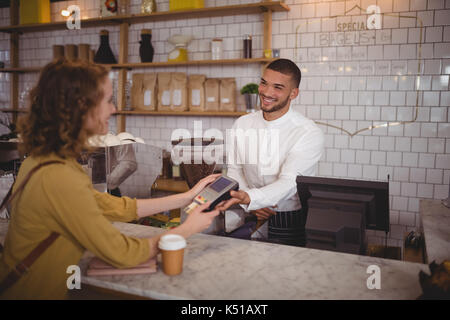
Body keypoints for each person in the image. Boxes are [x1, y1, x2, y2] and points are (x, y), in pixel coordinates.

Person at [0, 59, 226, 300]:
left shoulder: (42, 160)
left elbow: (115, 206)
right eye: (107, 100)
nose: (114, 109)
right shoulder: (59, 176)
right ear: (81, 107)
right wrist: (187, 229)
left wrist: (187, 197)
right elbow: (122, 253)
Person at [222, 58, 324, 247]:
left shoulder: (307, 132)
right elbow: (235, 169)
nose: (267, 92)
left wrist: (253, 198)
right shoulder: (242, 124)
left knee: (285, 274)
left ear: (293, 93)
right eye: (264, 83)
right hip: (250, 212)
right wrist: (249, 203)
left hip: (287, 218)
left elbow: (290, 182)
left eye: (278, 87)